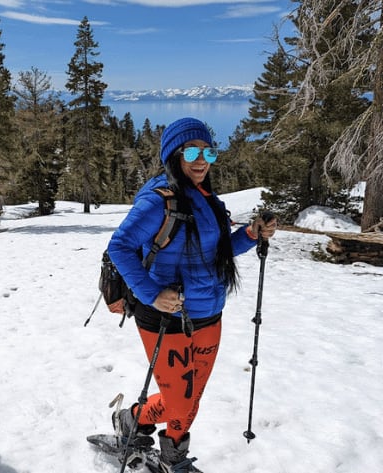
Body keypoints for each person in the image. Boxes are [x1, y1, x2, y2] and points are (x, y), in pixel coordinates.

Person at [106, 117, 277, 472]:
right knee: (181, 402)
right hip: (165, 317)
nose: (202, 160)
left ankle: (157, 442)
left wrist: (249, 234)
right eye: (193, 151)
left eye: (209, 152)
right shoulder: (158, 201)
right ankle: (140, 426)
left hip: (208, 312)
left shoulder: (207, 199)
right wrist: (152, 294)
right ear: (174, 154)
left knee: (191, 398)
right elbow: (120, 246)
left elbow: (218, 252)